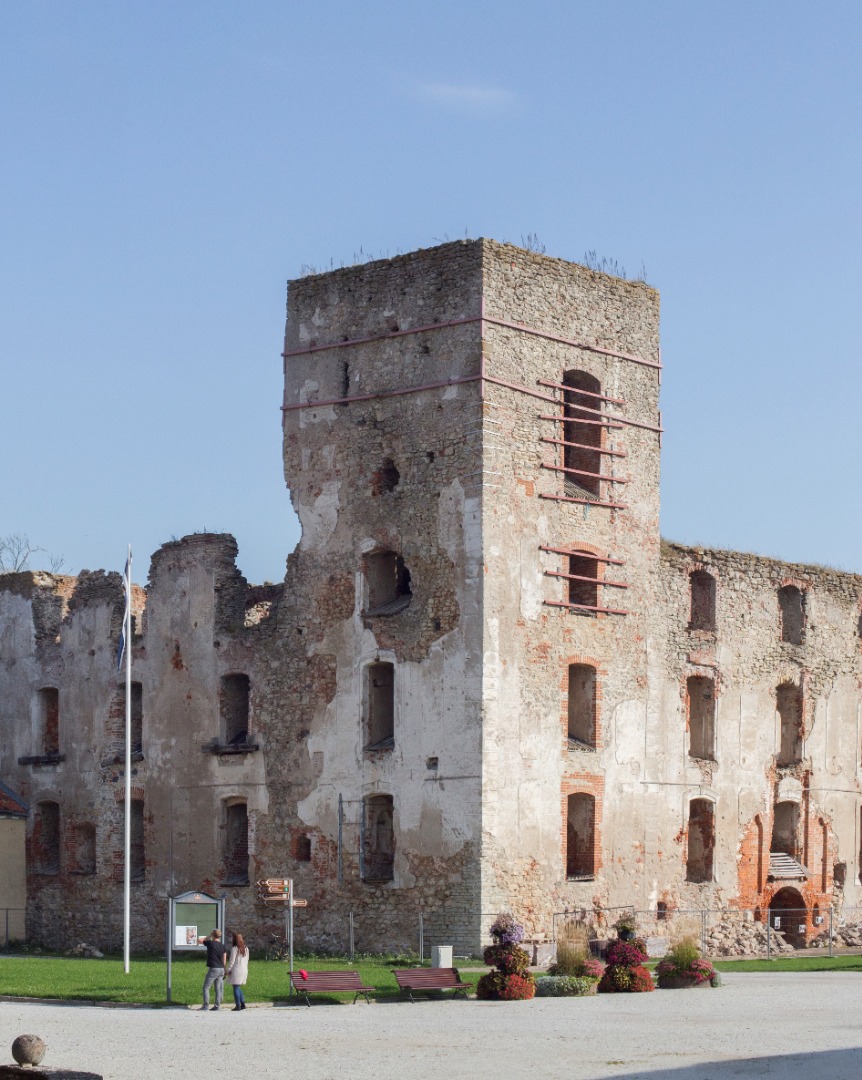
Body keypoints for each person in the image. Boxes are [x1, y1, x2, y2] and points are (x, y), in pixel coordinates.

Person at [202, 928, 227, 1010]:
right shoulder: (223, 946)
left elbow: (201, 940)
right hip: (221, 969)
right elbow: (224, 959)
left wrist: (209, 935)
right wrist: (225, 969)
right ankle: (217, 1005)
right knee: (217, 988)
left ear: (213, 935)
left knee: (206, 987)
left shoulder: (210, 943)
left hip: (214, 968)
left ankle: (206, 1006)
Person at [226, 931, 250, 1011]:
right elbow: (247, 960)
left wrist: (229, 970)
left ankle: (238, 1005)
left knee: (235, 987)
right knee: (238, 987)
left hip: (237, 969)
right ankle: (242, 1004)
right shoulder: (246, 948)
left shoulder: (235, 949)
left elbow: (232, 961)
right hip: (244, 969)